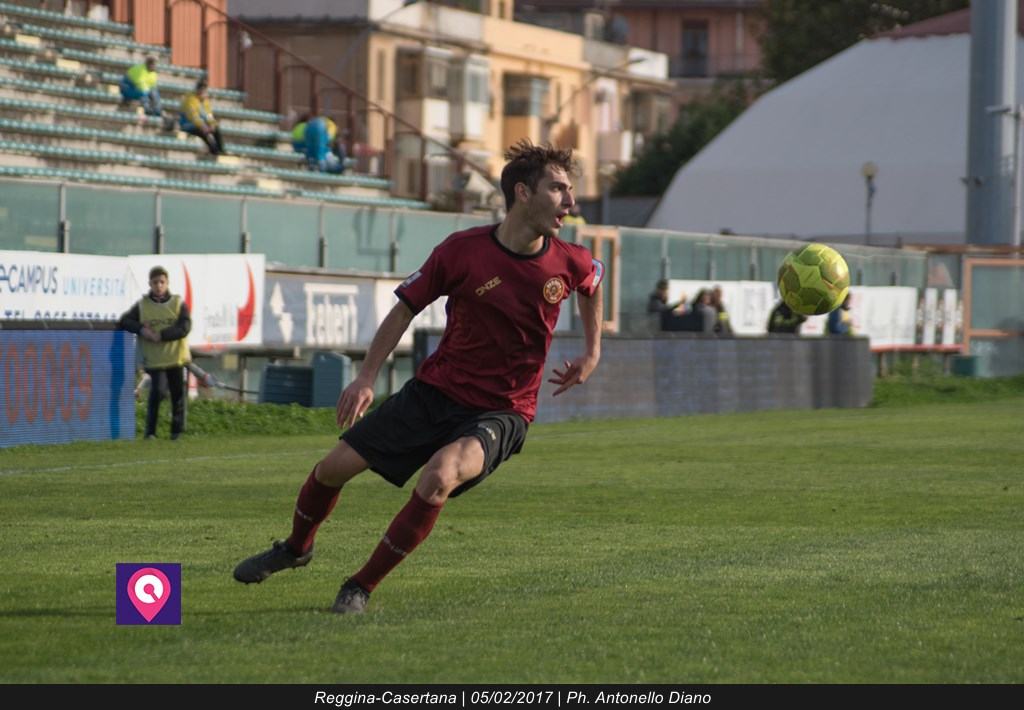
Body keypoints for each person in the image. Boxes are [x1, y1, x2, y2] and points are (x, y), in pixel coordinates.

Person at [232, 140, 604, 614]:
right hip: (435, 392)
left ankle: (359, 587)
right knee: (332, 469)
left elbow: (594, 280)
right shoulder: (462, 251)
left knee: (439, 476)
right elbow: (404, 309)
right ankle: (296, 548)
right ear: (523, 193)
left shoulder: (568, 260)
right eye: (558, 188)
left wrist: (592, 352)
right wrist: (366, 377)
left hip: (503, 409)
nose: (570, 201)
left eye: (570, 190)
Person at [117, 266, 192, 440]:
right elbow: (125, 321)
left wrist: (162, 335)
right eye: (155, 282)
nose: (159, 286)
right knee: (157, 392)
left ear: (167, 283)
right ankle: (150, 432)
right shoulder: (143, 306)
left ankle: (176, 432)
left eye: (162, 282)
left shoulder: (177, 303)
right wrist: (142, 330)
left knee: (178, 395)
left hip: (176, 358)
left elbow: (185, 327)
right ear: (150, 284)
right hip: (155, 360)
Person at [179, 79, 225, 155]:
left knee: (216, 129)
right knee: (202, 132)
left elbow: (209, 115)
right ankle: (214, 151)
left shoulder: (205, 101)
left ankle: (221, 150)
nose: (203, 92)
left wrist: (212, 124)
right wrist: (202, 126)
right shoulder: (190, 99)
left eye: (204, 90)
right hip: (187, 124)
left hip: (200, 124)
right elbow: (193, 116)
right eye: (201, 90)